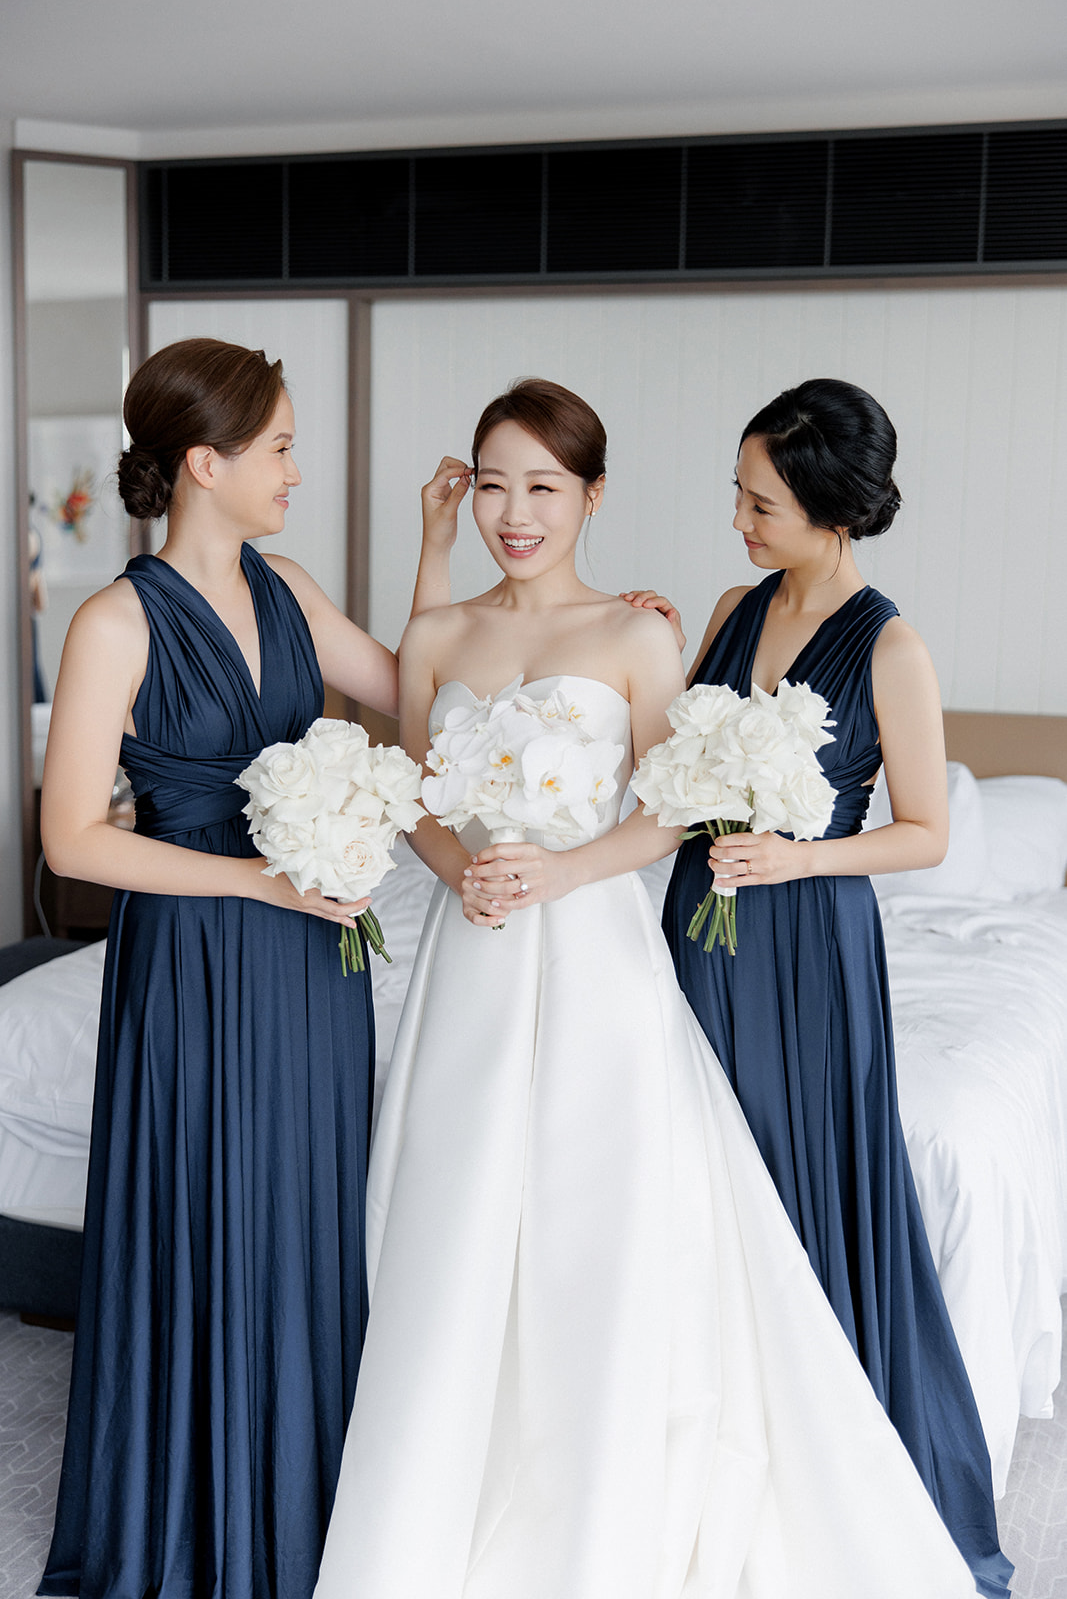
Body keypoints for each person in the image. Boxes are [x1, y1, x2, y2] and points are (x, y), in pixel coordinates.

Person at [313, 378, 980, 1599]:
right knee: (450, 1210)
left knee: (602, 1222)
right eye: (494, 484)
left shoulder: (666, 636)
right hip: (485, 949)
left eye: (543, 486)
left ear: (590, 496)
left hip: (652, 939)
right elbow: (417, 783)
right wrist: (464, 870)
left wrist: (572, 867)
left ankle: (601, 1495)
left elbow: (673, 800)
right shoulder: (644, 617)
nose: (516, 510)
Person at [38, 337, 449, 1599]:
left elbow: (420, 697)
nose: (295, 471)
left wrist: (450, 558)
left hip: (312, 954)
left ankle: (303, 1501)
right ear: (203, 464)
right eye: (278, 448)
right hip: (197, 952)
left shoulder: (291, 587)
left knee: (306, 1212)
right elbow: (71, 840)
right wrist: (256, 882)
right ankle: (193, 1514)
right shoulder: (114, 622)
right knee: (204, 1207)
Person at [624, 377, 1011, 1598]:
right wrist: (644, 646)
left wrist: (800, 856)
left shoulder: (890, 645)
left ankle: (828, 1463)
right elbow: (668, 764)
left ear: (830, 507)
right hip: (700, 922)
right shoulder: (731, 608)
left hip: (805, 940)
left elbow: (925, 830)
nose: (738, 520)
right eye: (737, 495)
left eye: (761, 503)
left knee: (797, 1181)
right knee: (698, 1175)